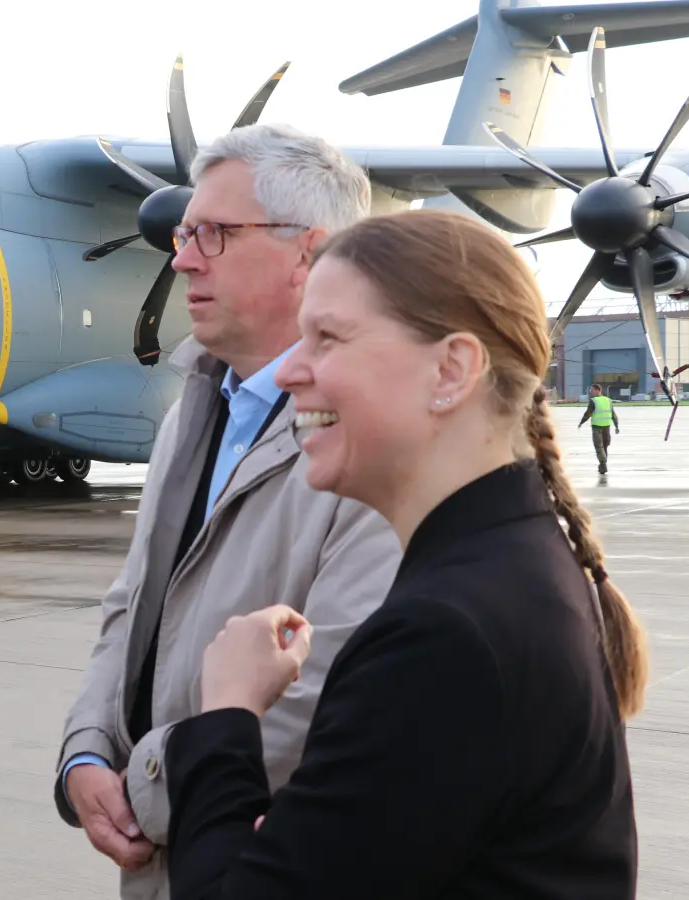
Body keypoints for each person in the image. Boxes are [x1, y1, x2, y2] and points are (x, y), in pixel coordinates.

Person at [162, 209, 646, 899]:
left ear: (451, 369)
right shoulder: (513, 568)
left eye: (326, 337)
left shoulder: (446, 638)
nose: (292, 370)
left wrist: (226, 715)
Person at [53, 124, 402, 899]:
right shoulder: (196, 405)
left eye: (213, 233)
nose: (180, 258)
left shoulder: (369, 434)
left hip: (268, 855)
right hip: (174, 845)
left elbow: (323, 689)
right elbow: (132, 606)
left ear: (306, 253)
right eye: (184, 233)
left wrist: (142, 787)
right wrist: (82, 755)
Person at [580, 383, 620, 474]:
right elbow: (614, 415)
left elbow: (588, 414)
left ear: (598, 390)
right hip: (606, 427)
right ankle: (602, 466)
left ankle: (603, 463)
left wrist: (581, 422)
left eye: (592, 389)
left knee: (599, 447)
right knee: (604, 447)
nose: (590, 391)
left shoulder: (593, 401)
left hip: (597, 428)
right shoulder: (608, 400)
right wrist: (616, 426)